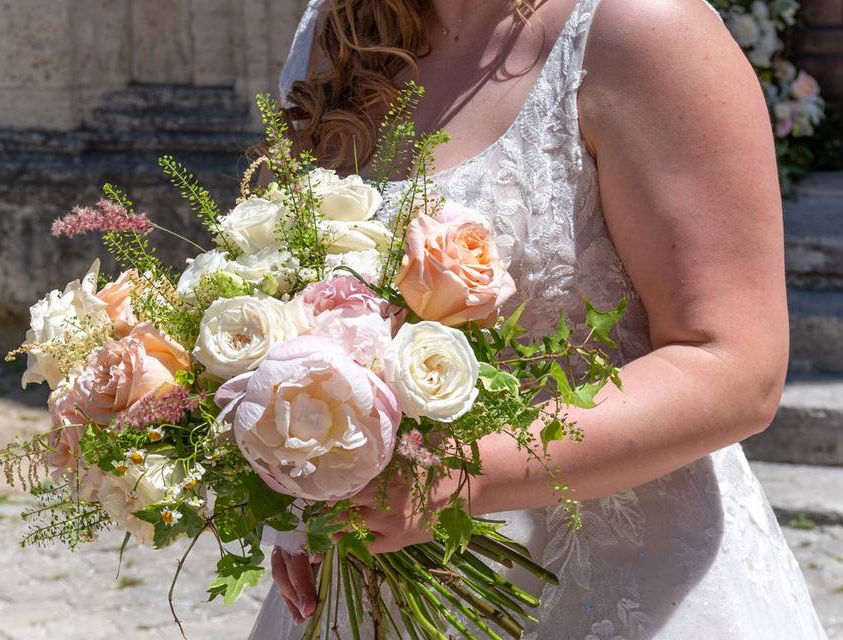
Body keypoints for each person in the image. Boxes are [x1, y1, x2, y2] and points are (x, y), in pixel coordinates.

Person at [251, 0, 828, 637]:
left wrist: (461, 474)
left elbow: (734, 367)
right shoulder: (337, 33)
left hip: (613, 584)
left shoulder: (642, 29)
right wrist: (301, 491)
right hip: (363, 583)